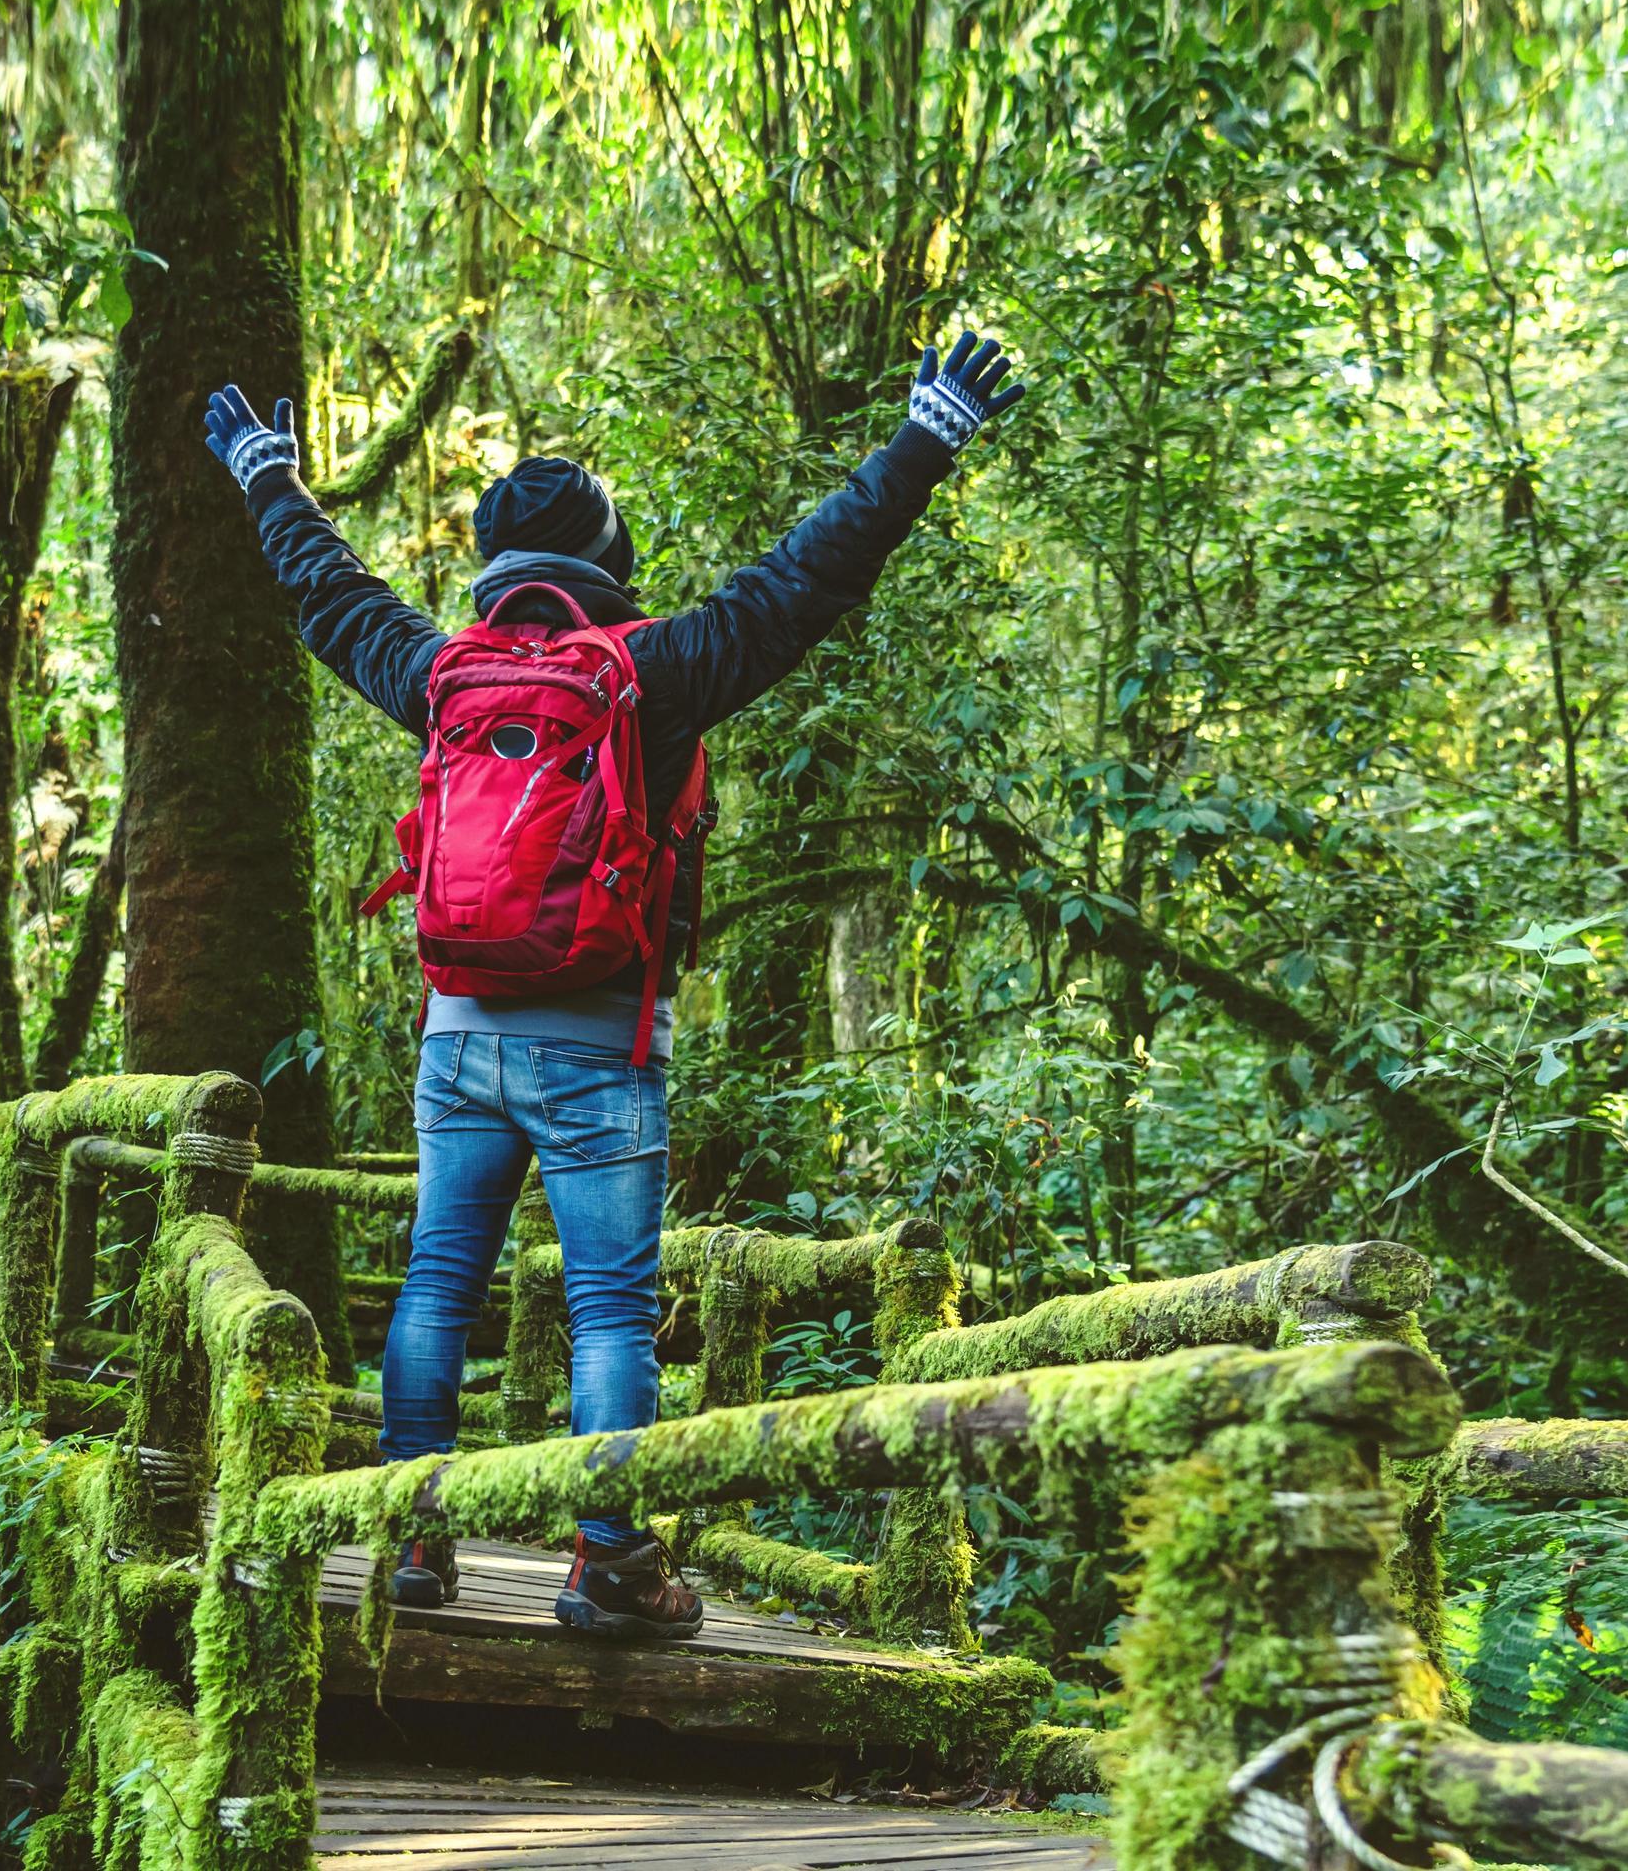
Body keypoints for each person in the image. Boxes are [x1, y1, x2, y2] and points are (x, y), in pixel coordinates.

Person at [199, 334, 1025, 1640]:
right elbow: (811, 576)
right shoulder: (657, 673)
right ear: (609, 554)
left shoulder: (442, 674)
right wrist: (926, 430)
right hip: (600, 1046)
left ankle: (414, 1543)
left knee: (432, 1288)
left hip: (459, 1041)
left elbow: (326, 592)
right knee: (607, 1310)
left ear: (493, 564)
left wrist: (263, 472)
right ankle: (607, 1565)